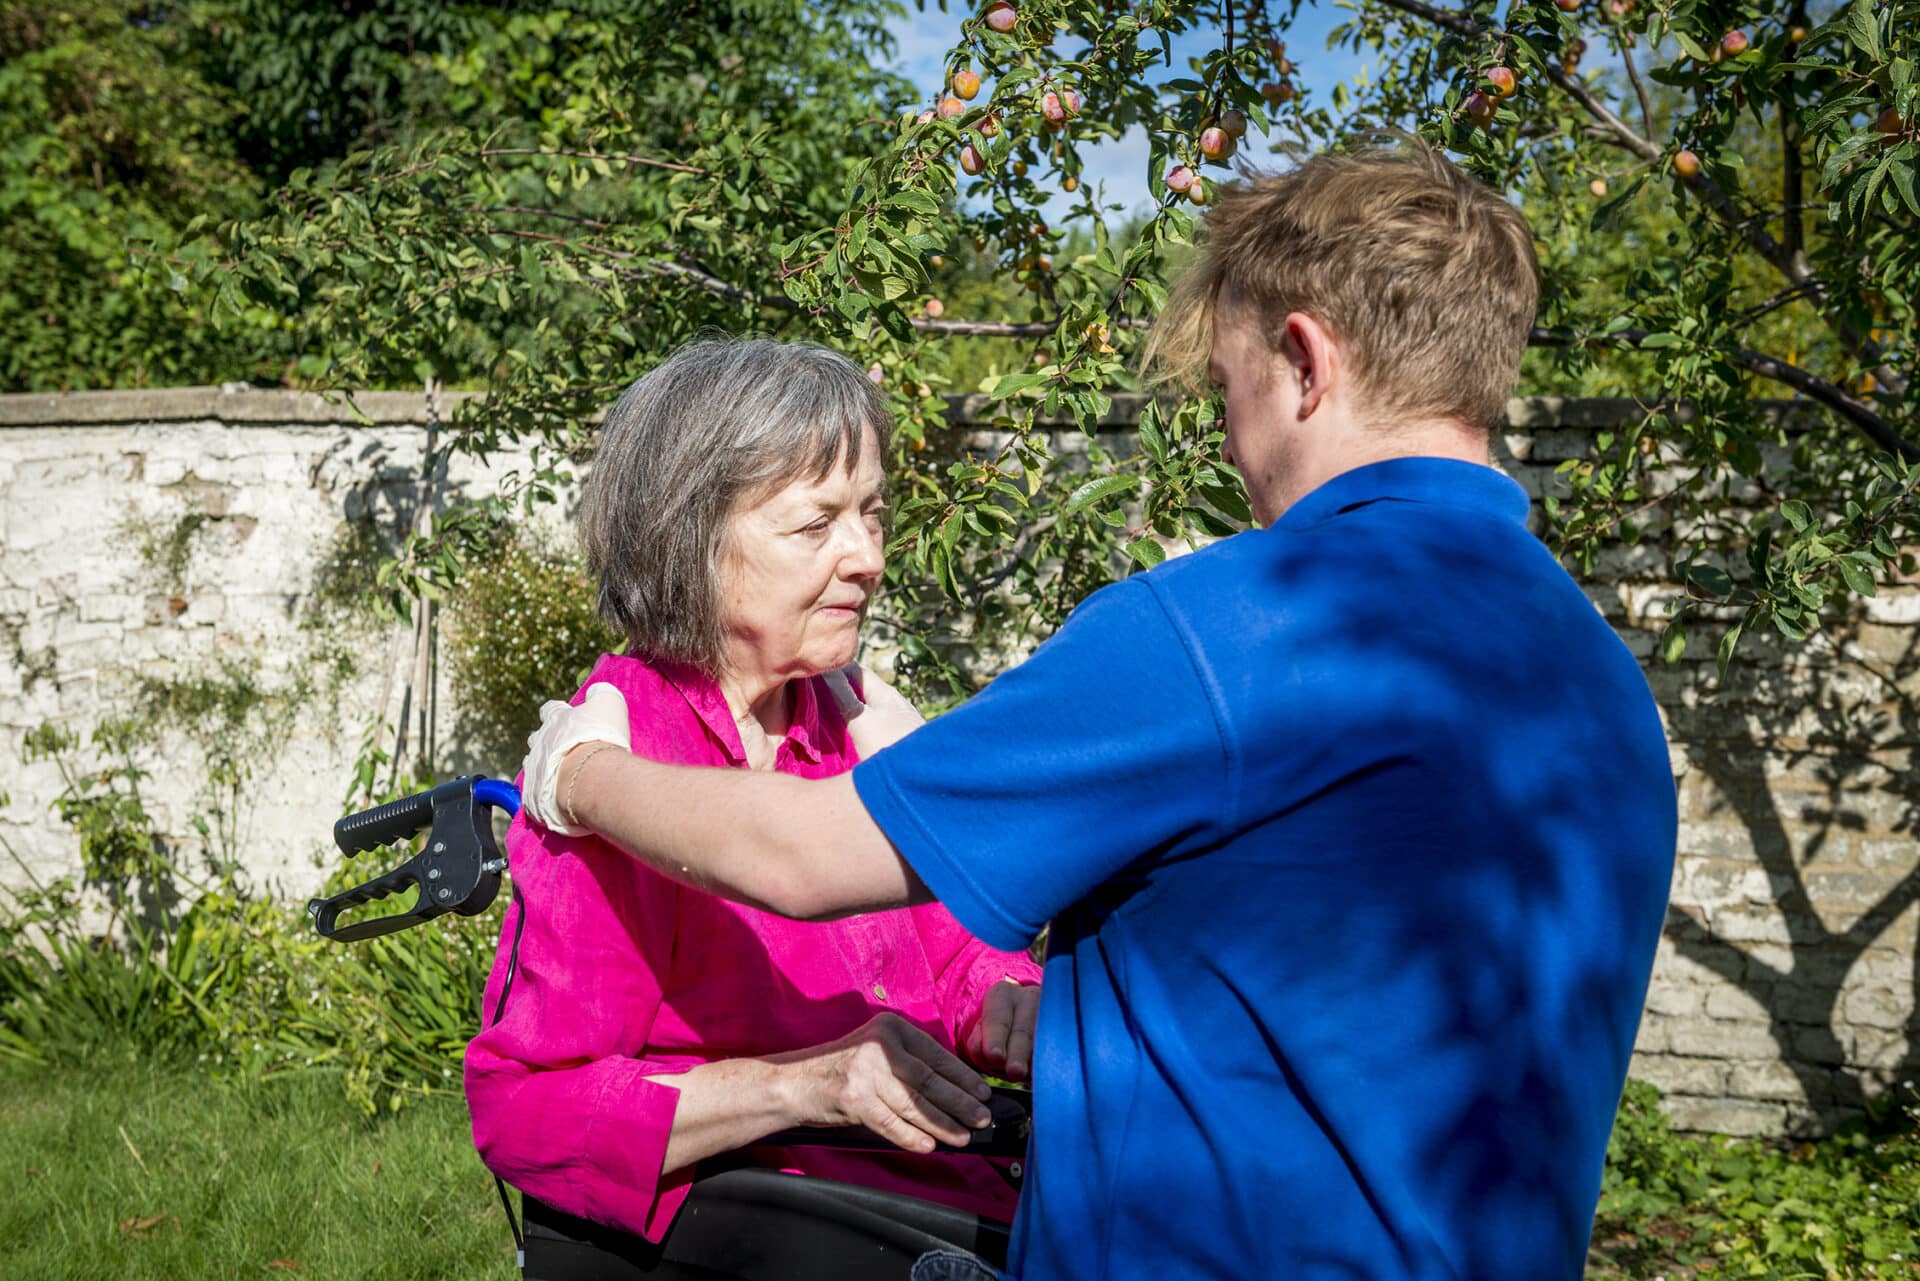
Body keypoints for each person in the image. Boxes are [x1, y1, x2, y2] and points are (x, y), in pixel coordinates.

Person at [518, 141, 1679, 1281]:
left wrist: (578, 775)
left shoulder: (1240, 632)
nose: (1231, 444)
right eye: (817, 522)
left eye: (1230, 389)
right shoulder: (1597, 687)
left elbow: (808, 855)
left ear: (1306, 362)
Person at [464, 337, 1041, 1245]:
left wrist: (1012, 1001)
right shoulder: (622, 760)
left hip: (939, 1195)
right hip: (784, 1234)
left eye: (873, 515)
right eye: (816, 526)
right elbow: (524, 1109)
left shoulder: (847, 718)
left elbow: (956, 959)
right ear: (690, 540)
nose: (865, 558)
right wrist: (802, 1082)